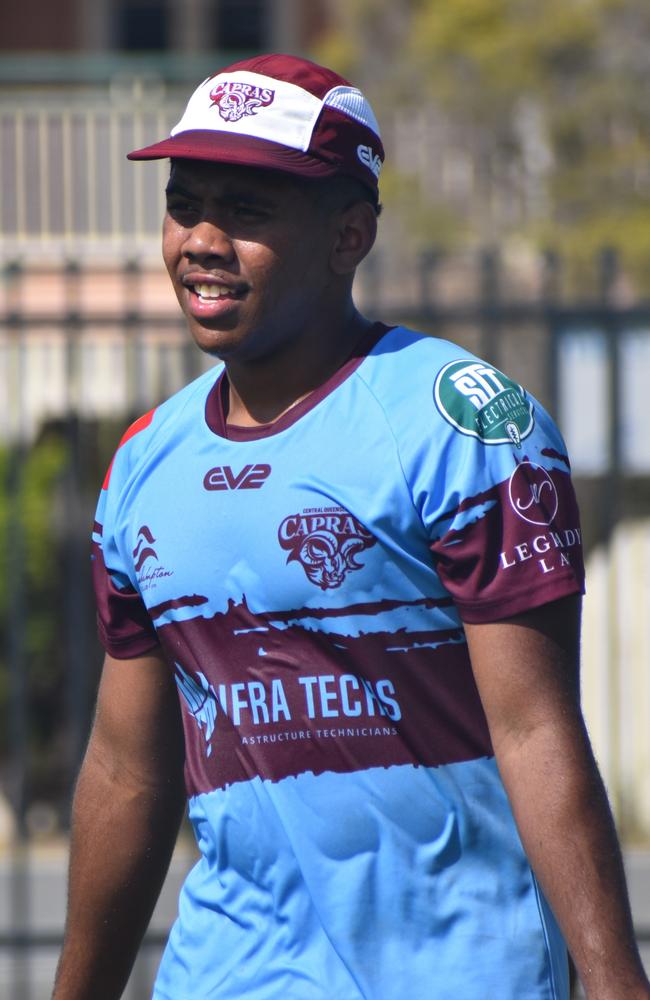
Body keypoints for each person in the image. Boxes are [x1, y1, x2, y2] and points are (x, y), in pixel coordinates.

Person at [52, 53, 649, 1000]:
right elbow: (128, 774)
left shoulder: (461, 424)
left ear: (350, 235)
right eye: (184, 203)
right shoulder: (142, 463)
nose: (201, 240)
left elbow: (537, 731)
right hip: (227, 976)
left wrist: (617, 983)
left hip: (456, 975)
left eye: (247, 213)